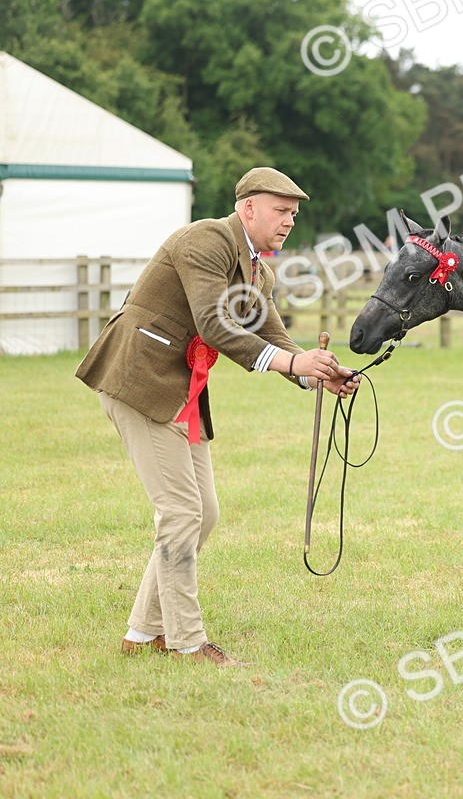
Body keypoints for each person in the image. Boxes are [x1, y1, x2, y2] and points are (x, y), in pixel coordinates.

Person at [76, 167, 361, 666]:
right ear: (247, 207)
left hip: (179, 392)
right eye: (280, 210)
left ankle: (144, 633)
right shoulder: (205, 240)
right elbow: (215, 322)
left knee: (202, 512)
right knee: (182, 512)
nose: (289, 220)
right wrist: (294, 362)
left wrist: (317, 375)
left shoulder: (258, 270)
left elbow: (274, 339)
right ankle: (187, 642)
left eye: (294, 213)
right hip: (139, 381)